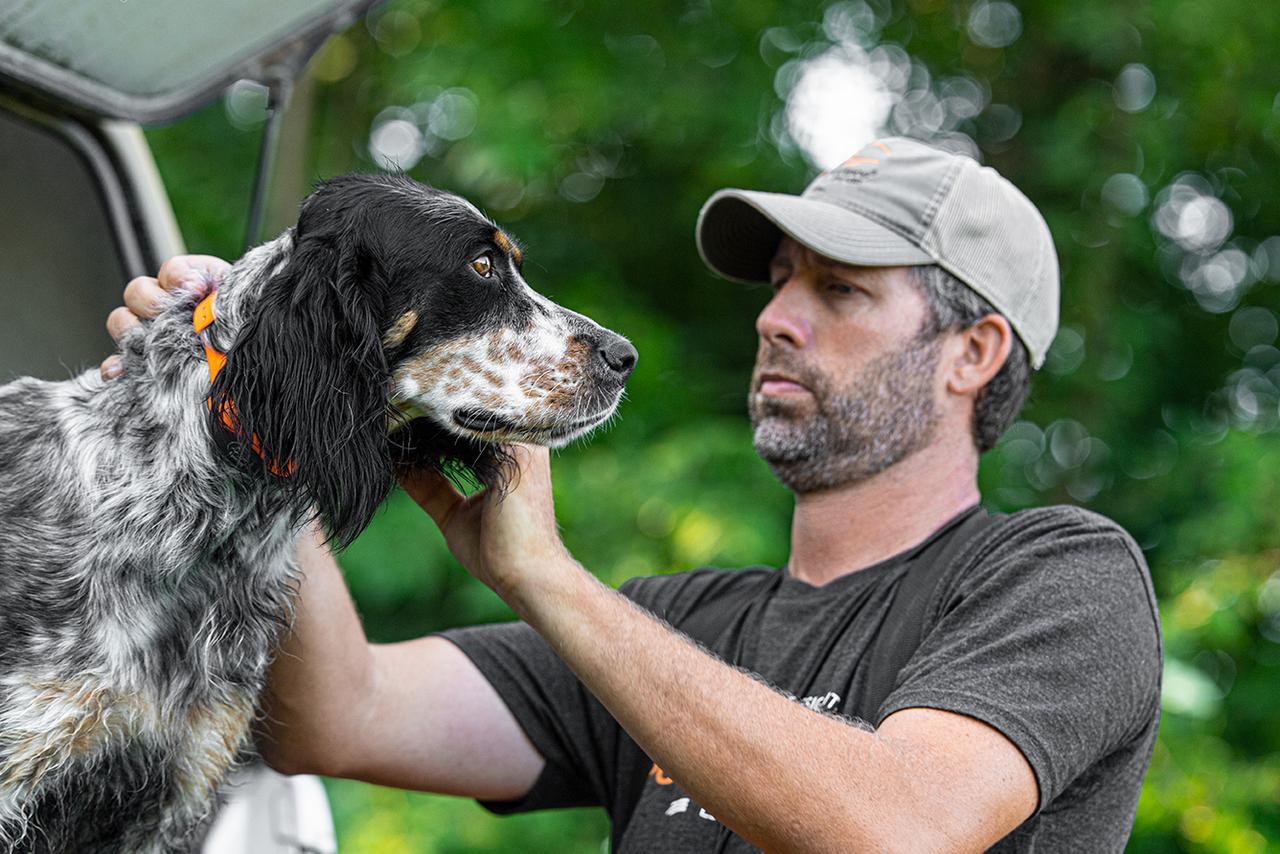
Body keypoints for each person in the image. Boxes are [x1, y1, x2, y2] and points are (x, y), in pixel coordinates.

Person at [105, 137, 1162, 852]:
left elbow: (900, 825)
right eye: (778, 280)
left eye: (836, 289)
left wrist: (543, 575)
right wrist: (265, 416)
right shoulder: (676, 626)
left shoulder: (1063, 575)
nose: (775, 318)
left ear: (969, 352)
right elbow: (334, 716)